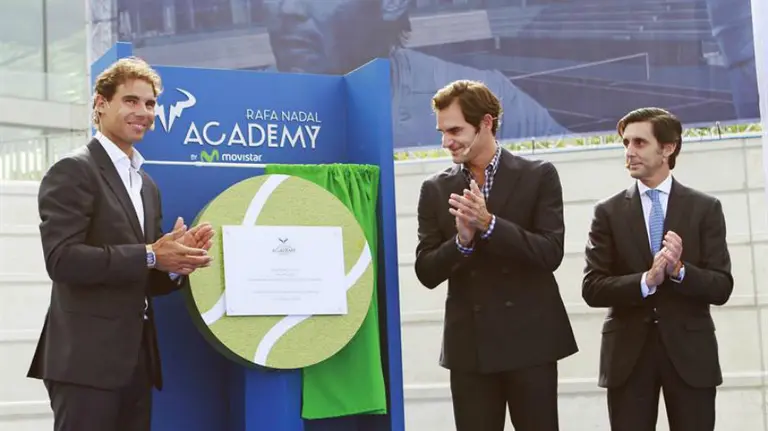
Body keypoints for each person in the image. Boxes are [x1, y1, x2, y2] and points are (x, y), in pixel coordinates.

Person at [26, 57, 215, 431]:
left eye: (149, 104)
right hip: (85, 364)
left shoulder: (146, 185)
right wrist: (150, 254)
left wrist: (177, 264)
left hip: (136, 363)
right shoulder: (73, 170)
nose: (143, 112)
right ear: (100, 103)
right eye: (131, 101)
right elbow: (62, 260)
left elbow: (146, 276)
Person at [414, 79, 578, 431]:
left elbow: (550, 252)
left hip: (531, 344)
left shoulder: (539, 176)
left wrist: (490, 225)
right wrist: (461, 242)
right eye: (442, 131)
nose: (447, 141)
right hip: (470, 350)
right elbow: (426, 271)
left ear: (486, 122)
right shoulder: (435, 188)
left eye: (455, 130)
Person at [581, 107, 733, 430]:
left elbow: (721, 286)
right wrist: (645, 281)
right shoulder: (606, 213)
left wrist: (679, 270)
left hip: (691, 356)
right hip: (628, 358)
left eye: (639, 143)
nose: (629, 152)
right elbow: (592, 287)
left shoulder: (705, 208)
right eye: (625, 143)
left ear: (668, 148)